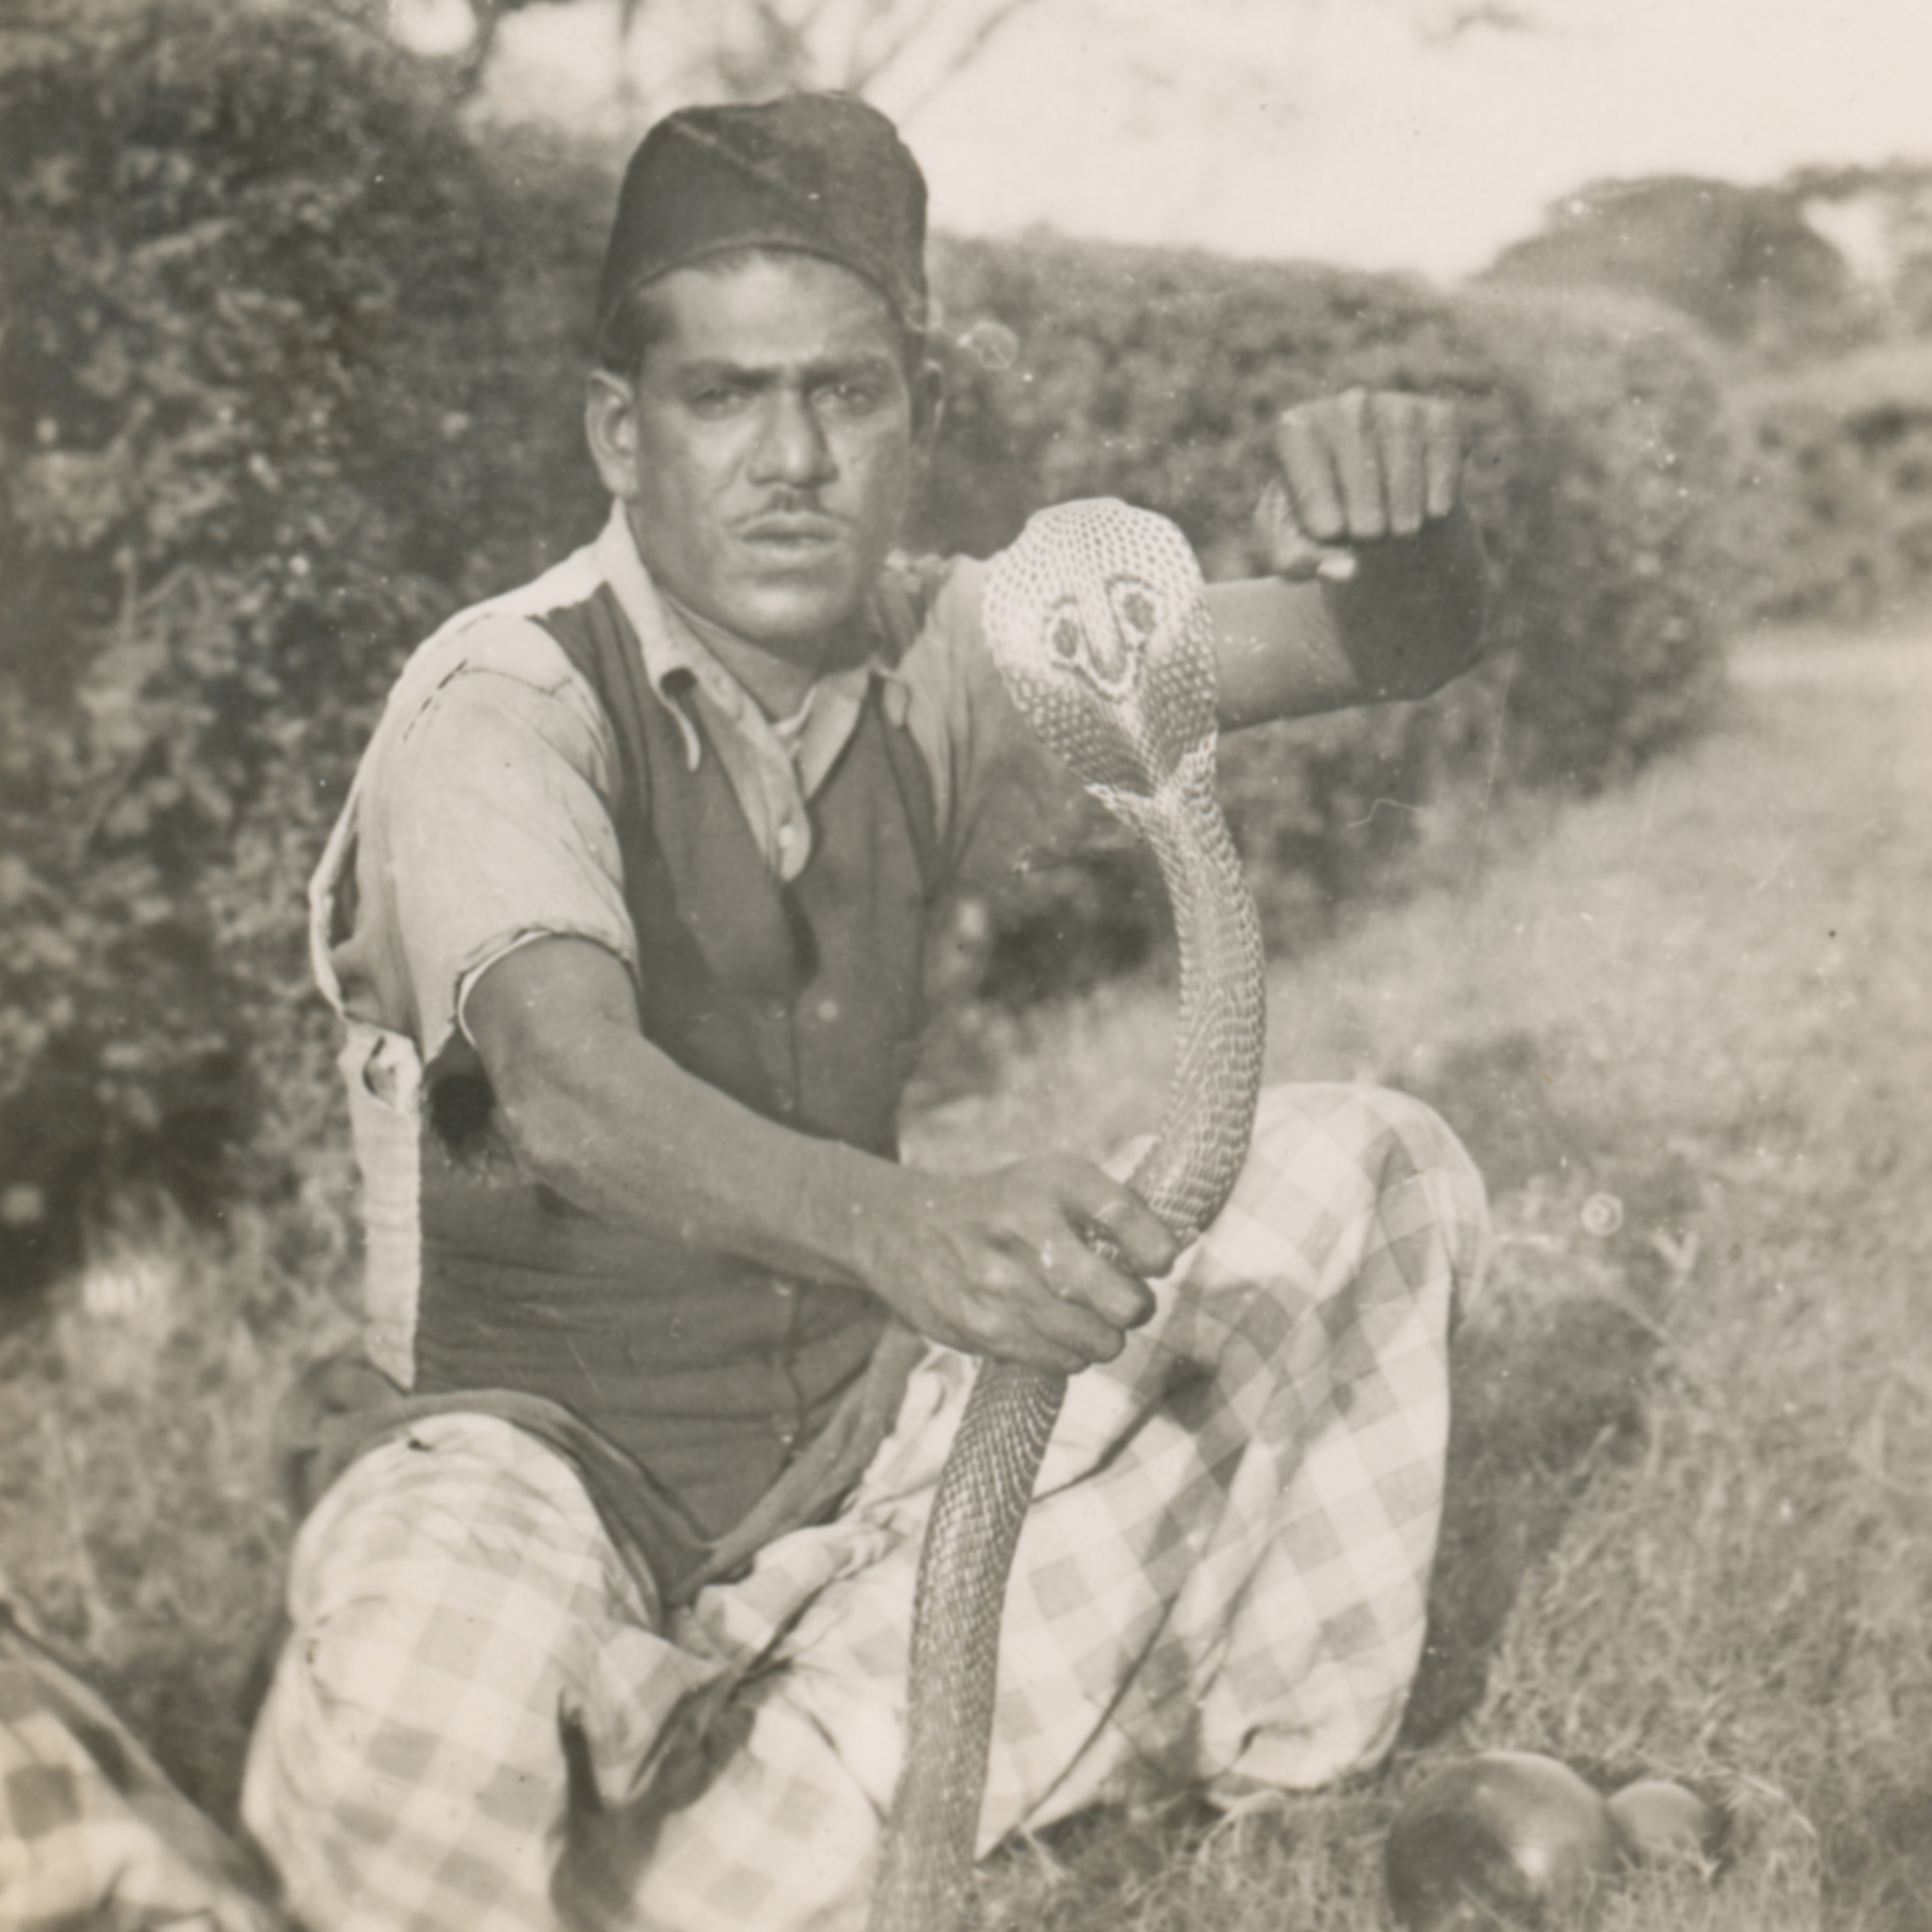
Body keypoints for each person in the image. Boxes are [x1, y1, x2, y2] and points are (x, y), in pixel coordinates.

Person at [243, 91, 1493, 1932]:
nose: (790, 458)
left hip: (858, 1449)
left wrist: (1404, 549)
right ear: (619, 430)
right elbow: (563, 1085)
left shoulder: (945, 648)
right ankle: (813, 1781)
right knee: (428, 1714)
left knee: (1360, 1166)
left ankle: (740, 1796)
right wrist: (900, 1225)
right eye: (722, 396)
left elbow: (1374, 647)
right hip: (536, 1465)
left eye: (844, 393)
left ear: (914, 422)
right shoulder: (503, 695)